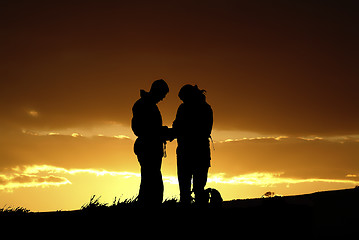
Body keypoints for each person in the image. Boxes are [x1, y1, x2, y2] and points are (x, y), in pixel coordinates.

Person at [131, 79, 173, 207]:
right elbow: (141, 129)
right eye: (163, 95)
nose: (163, 98)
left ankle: (148, 205)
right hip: (147, 148)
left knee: (149, 180)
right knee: (151, 181)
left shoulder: (146, 104)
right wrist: (163, 132)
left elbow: (150, 129)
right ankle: (150, 207)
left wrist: (163, 132)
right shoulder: (144, 105)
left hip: (150, 147)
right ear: (157, 91)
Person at [172, 84, 213, 206]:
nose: (183, 101)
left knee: (190, 187)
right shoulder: (205, 108)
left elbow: (177, 126)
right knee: (194, 187)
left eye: (183, 98)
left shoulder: (187, 108)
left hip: (191, 151)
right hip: (197, 151)